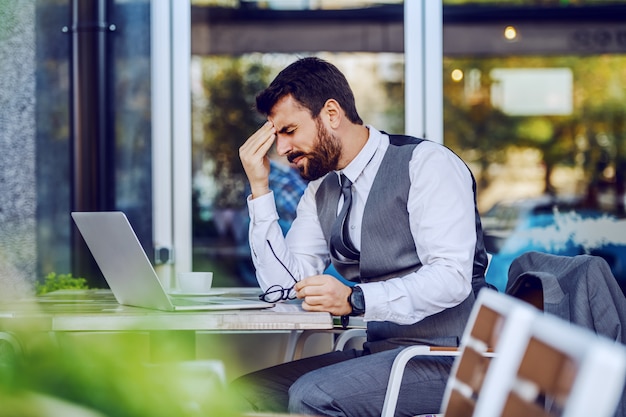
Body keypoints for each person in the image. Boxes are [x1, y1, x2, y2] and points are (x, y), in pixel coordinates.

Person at [235, 56, 490, 417]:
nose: (281, 149)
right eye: (275, 135)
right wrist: (260, 189)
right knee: (245, 393)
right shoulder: (322, 189)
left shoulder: (426, 164)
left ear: (332, 114)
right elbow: (283, 287)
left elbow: (452, 278)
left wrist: (356, 299)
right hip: (384, 353)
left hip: (454, 357)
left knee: (314, 396)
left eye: (289, 131)